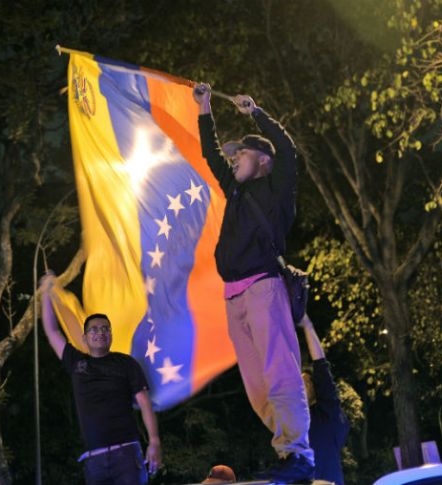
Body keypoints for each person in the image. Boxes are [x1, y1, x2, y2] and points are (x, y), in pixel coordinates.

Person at [193, 83, 314, 484]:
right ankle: (285, 450)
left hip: (263, 288)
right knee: (256, 387)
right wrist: (204, 108)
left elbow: (289, 150)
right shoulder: (238, 193)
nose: (234, 160)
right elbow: (211, 156)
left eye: (240, 154)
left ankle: (299, 454)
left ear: (261, 160)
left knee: (281, 374)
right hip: (234, 298)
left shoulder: (275, 189)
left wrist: (256, 113)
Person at [39, 272, 161, 485]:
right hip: (93, 460)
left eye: (105, 329)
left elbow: (144, 403)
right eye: (94, 329)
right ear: (85, 338)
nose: (100, 333)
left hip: (127, 455)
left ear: (111, 335)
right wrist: (46, 293)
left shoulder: (126, 363)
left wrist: (154, 441)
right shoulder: (76, 362)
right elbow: (51, 331)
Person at [299, 314, 350, 485]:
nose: (297, 388)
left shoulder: (327, 415)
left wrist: (307, 323)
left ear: (314, 389)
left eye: (304, 383)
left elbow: (320, 364)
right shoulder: (292, 421)